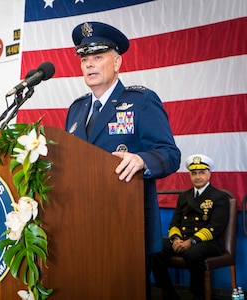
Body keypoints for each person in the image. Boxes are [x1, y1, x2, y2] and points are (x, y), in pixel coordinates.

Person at [65, 22, 181, 299]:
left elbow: (170, 154)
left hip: (127, 228)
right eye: (84, 59)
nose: (89, 65)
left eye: (98, 57)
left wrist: (142, 160)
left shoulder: (140, 101)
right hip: (80, 227)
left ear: (117, 62)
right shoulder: (76, 110)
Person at [152, 154, 230, 300]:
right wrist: (176, 239)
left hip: (209, 242)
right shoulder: (184, 196)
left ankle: (198, 294)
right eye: (194, 173)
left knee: (192, 253)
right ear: (190, 175)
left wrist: (191, 241)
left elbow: (215, 227)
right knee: (156, 248)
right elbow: (175, 222)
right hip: (184, 239)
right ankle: (169, 292)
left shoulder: (219, 196)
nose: (198, 176)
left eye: (201, 172)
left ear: (209, 174)